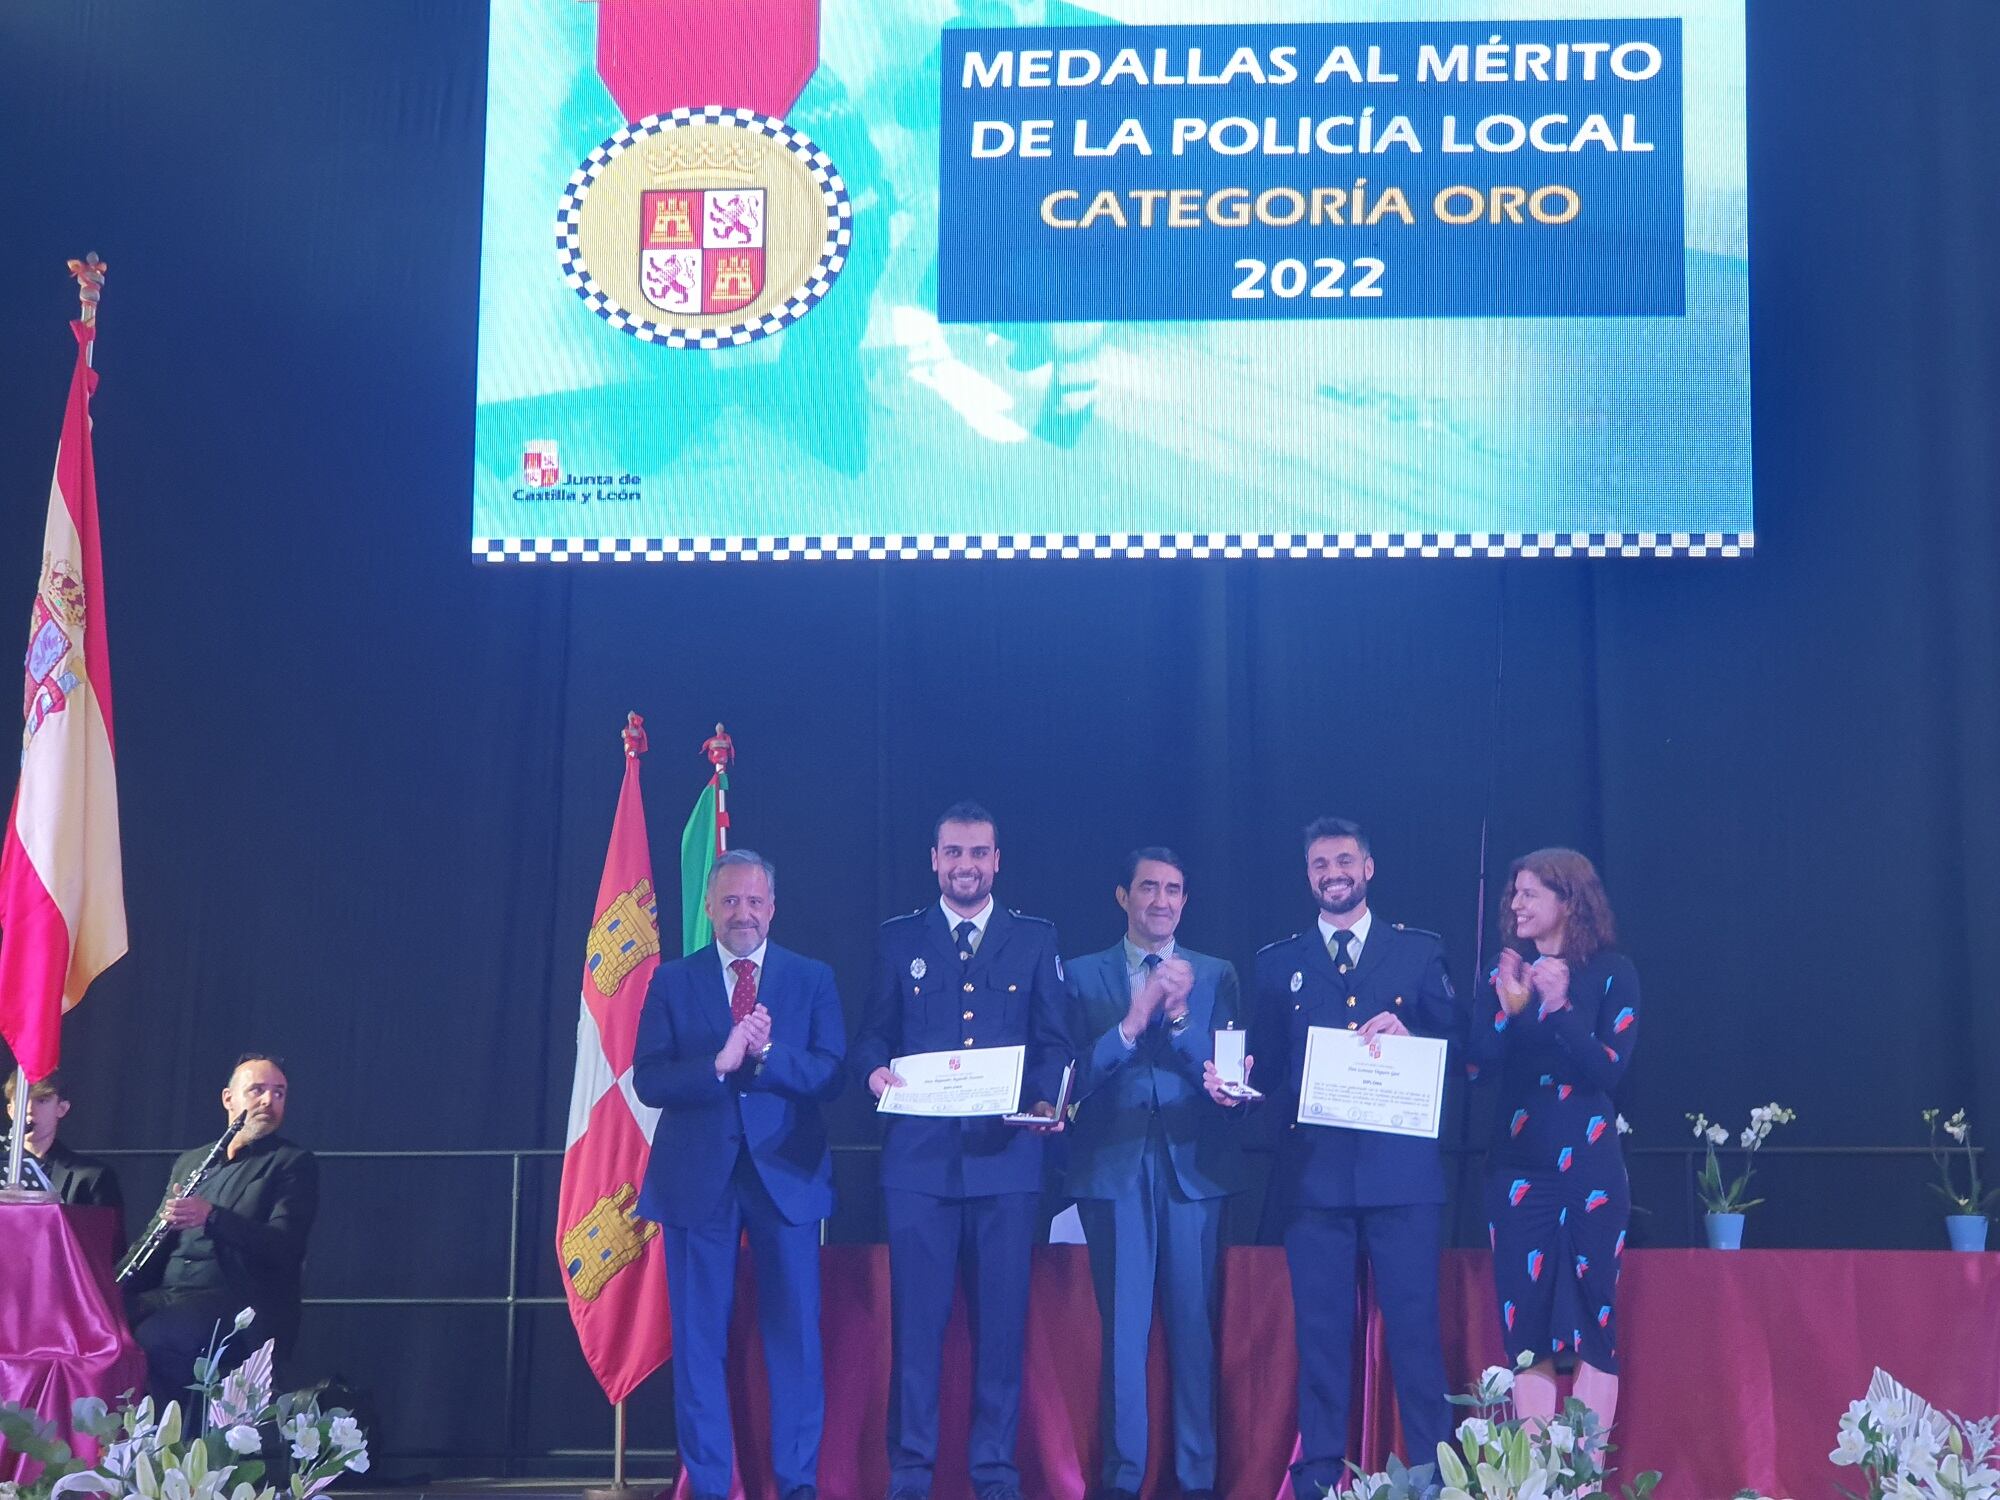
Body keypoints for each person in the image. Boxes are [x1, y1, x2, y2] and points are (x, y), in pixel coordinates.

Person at [851, 801, 1070, 1500]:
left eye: (979, 853)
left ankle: (995, 1479)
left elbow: (1056, 1044)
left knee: (1002, 1338)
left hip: (1007, 1165)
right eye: (953, 853)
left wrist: (1044, 1102)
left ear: (997, 861)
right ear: (935, 860)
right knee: (917, 1335)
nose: (966, 866)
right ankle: (910, 1480)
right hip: (919, 1167)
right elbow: (871, 1036)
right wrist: (874, 1072)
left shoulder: (1034, 939)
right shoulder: (898, 940)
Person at [1250, 817, 1460, 1496]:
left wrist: (1415, 1032)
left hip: (1402, 1183)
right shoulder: (1276, 963)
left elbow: (1463, 1058)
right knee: (1321, 1348)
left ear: (1368, 868)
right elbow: (1269, 1076)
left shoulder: (1418, 954)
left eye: (1344, 860)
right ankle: (1318, 1485)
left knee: (1417, 1344)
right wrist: (1237, 1092)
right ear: (1308, 874)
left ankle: (1434, 1482)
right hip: (1316, 1185)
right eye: (1319, 863)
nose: (1332, 872)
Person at [632, 849, 846, 1500]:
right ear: (709, 907)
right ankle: (708, 1486)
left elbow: (830, 1073)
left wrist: (770, 1053)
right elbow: (648, 1078)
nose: (743, 913)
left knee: (796, 1343)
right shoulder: (673, 980)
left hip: (786, 1176)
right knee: (699, 1347)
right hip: (697, 1181)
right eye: (730, 901)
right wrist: (719, 1063)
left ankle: (797, 1485)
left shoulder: (811, 978)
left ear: (773, 908)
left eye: (755, 901)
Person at [1064, 847, 1246, 1500]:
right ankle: (1121, 1484)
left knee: (1194, 1335)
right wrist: (1133, 1023)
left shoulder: (1216, 974)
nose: (1161, 900)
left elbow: (1231, 1075)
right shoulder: (1081, 975)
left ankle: (1197, 1483)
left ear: (1184, 900)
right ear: (1123, 897)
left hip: (1195, 1174)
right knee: (1123, 1337)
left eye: (1173, 889)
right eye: (1148, 888)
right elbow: (1070, 1078)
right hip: (1111, 1172)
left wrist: (1176, 1020)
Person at [1467, 849, 1638, 1440]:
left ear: (1568, 900)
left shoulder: (1612, 971)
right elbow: (1476, 1069)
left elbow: (1609, 1071)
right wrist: (1509, 1009)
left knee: (1595, 1320)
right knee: (1526, 1328)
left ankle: (1583, 1479)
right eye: (1513, 893)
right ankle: (1536, 1478)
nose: (1515, 904)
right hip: (1517, 1172)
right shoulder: (1504, 971)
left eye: (1529, 893)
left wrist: (1560, 1007)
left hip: (1589, 1170)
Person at [125, 1053, 317, 1402]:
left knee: (158, 1338)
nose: (268, 1101)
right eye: (257, 1090)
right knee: (100, 1325)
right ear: (228, 1098)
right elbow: (153, 1236)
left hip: (236, 1300)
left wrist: (211, 1216)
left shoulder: (291, 1164)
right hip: (169, 1293)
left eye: (279, 1093)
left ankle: (172, 1448)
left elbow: (284, 1247)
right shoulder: (193, 1161)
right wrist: (109, 1287)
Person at [4, 1069, 124, 1227]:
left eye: (41, 1100)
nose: (28, 1110)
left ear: (62, 1109)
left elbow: (105, 1245)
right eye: (21, 1100)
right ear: (11, 1110)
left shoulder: (93, 1177)